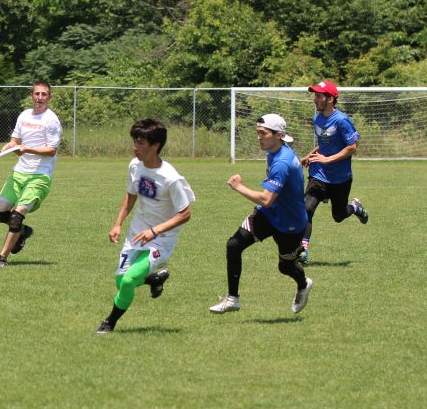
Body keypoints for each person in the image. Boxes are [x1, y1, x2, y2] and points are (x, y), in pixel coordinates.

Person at [96, 119, 195, 334]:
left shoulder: (170, 178)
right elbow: (130, 195)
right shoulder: (135, 165)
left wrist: (155, 231)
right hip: (136, 234)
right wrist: (117, 224)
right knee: (121, 282)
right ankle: (154, 279)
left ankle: (109, 322)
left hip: (161, 240)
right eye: (134, 142)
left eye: (140, 143)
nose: (135, 147)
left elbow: (185, 213)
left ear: (155, 145)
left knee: (129, 281)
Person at [210, 114, 313, 315]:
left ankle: (303, 284)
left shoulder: (282, 162)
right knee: (234, 245)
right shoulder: (274, 151)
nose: (258, 137)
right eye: (258, 132)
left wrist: (238, 187)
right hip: (268, 215)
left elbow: (266, 199)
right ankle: (232, 299)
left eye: (263, 133)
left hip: (290, 223)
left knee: (286, 266)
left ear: (278, 135)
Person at [0, 80, 61, 267]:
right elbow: (15, 140)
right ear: (31, 96)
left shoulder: (51, 120)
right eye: (37, 94)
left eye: (44, 94)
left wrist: (27, 149)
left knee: (16, 216)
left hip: (39, 176)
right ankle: (23, 231)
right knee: (0, 212)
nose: (40, 97)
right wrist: (9, 146)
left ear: (49, 97)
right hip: (19, 173)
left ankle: (2, 258)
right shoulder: (24, 115)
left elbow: (51, 150)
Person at [298, 80, 368, 263]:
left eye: (319, 96)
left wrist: (327, 159)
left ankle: (355, 208)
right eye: (315, 95)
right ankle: (302, 249)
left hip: (340, 178)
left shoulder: (342, 120)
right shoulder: (317, 119)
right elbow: (324, 145)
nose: (315, 99)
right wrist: (310, 155)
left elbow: (352, 147)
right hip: (319, 174)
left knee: (339, 216)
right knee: (306, 208)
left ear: (330, 99)